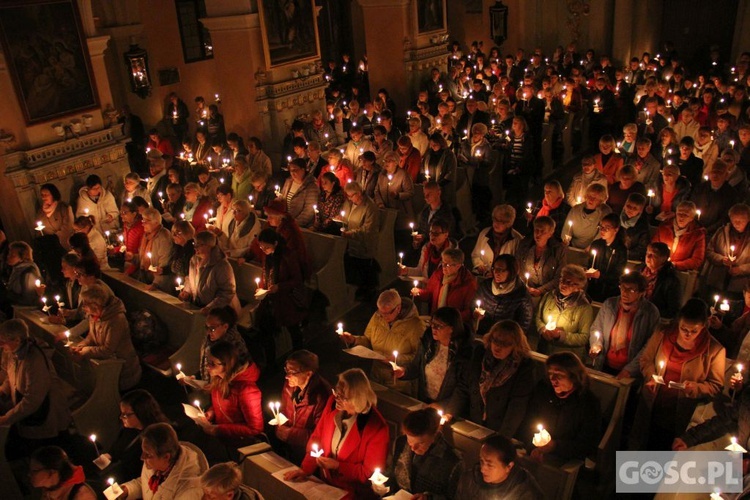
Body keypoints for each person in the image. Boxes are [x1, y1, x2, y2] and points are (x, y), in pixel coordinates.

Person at [631, 299, 725, 450]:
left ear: (703, 326)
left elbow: (716, 385)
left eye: (694, 331)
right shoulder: (663, 333)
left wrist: (696, 388)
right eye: (683, 329)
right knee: (641, 448)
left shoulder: (714, 350)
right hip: (652, 404)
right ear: (678, 322)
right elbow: (646, 359)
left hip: (680, 412)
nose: (687, 334)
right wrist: (652, 376)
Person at [284, 369, 389, 500]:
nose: (336, 398)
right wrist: (306, 469)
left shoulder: (376, 427)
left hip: (354, 494)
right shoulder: (333, 403)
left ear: (357, 398)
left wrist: (337, 466)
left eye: (343, 396)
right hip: (327, 486)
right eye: (336, 392)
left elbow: (368, 473)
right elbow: (317, 437)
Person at [447, 320, 535, 437]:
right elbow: (464, 386)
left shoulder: (523, 366)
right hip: (475, 420)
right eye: (496, 341)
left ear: (516, 345)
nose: (498, 347)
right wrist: (450, 412)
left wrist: (502, 438)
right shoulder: (480, 354)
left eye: (505, 344)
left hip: (499, 426)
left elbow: (517, 406)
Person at [0, 319, 71, 449]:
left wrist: (6, 418)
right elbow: (10, 375)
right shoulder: (13, 352)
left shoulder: (34, 359)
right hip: (28, 413)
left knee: (42, 451)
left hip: (45, 416)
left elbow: (33, 399)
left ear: (17, 340)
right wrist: (2, 391)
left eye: (3, 342)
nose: (1, 345)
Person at [518, 352, 602, 462]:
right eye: (550, 374)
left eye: (559, 375)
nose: (552, 379)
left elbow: (587, 444)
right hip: (533, 451)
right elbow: (528, 421)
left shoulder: (588, 403)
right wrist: (533, 447)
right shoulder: (543, 390)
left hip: (567, 459)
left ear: (574, 376)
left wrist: (555, 446)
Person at [340, 289, 425, 394]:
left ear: (398, 308)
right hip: (376, 375)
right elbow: (368, 340)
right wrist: (354, 340)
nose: (383, 317)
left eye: (387, 313)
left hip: (399, 382)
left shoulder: (415, 325)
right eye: (381, 312)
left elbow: (418, 357)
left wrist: (396, 359)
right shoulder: (377, 317)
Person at [377, 408, 462, 499]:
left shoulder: (452, 461)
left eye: (421, 443)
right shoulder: (400, 443)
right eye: (410, 441)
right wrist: (382, 484)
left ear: (434, 435)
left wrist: (428, 498)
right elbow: (392, 474)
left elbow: (454, 497)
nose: (413, 448)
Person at [394, 307, 472, 407]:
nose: (433, 329)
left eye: (439, 326)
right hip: (425, 401)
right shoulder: (428, 343)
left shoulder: (463, 352)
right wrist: (404, 372)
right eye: (432, 324)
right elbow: (417, 367)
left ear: (452, 329)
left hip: (448, 407)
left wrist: (445, 407)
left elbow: (462, 388)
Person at [589, 271, 661, 377]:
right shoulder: (610, 305)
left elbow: (649, 346)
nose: (625, 293)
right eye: (623, 288)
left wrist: (629, 370)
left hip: (630, 370)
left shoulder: (650, 313)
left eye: (631, 290)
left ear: (641, 293)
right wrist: (596, 344)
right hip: (604, 364)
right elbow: (597, 328)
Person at [72, 284, 142, 391]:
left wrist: (85, 351)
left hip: (123, 368)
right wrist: (83, 344)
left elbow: (108, 349)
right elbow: (92, 335)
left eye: (85, 303)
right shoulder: (94, 315)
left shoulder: (116, 320)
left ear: (95, 305)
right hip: (107, 365)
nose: (83, 306)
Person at [197, 341, 263, 450]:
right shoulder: (219, 380)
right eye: (207, 361)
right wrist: (211, 413)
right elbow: (220, 404)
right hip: (228, 439)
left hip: (244, 445)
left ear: (227, 364)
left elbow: (255, 428)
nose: (207, 366)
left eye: (212, 363)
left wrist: (219, 429)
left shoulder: (247, 390)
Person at [254, 228, 309, 357]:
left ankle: (300, 357)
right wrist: (262, 287)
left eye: (266, 247)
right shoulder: (267, 256)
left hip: (288, 300)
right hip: (273, 300)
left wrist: (280, 286)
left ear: (275, 243)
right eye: (261, 247)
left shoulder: (288, 255)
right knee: (265, 328)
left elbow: (297, 279)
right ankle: (271, 361)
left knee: (294, 330)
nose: (263, 250)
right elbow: (266, 274)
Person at [99, 389, 170, 485]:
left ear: (141, 412)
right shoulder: (129, 429)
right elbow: (119, 446)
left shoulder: (156, 438)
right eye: (121, 413)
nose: (121, 417)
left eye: (125, 414)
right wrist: (109, 455)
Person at [120, 423, 206, 499]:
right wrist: (127, 490)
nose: (142, 457)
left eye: (148, 454)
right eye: (143, 452)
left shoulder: (189, 488)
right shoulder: (155, 464)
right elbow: (145, 483)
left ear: (166, 457)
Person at [275, 350, 332, 464]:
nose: (287, 376)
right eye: (286, 370)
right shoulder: (290, 385)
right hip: (289, 449)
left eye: (292, 371)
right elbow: (283, 411)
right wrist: (279, 424)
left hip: (307, 455)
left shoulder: (322, 396)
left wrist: (290, 434)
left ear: (308, 373)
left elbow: (320, 434)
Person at [455, 434, 543, 499]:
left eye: (490, 464)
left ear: (509, 466)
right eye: (481, 461)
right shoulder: (469, 480)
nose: (482, 469)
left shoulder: (524, 491)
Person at [535, 264, 593, 358]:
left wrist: (560, 336)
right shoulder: (549, 296)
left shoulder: (584, 307)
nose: (563, 284)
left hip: (567, 356)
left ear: (579, 287)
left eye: (569, 282)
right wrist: (542, 329)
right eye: (562, 280)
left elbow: (584, 337)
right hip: (544, 350)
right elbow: (538, 316)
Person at [180, 231, 241, 315]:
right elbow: (190, 278)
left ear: (208, 246)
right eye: (194, 244)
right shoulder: (194, 260)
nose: (195, 247)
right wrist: (186, 291)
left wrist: (210, 307)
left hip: (220, 313)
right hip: (200, 307)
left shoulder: (222, 265)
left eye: (199, 245)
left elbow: (227, 292)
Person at [473, 254, 534, 337]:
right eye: (494, 269)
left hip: (504, 339)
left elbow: (523, 325)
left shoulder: (522, 295)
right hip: (482, 334)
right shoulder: (485, 286)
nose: (496, 273)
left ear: (511, 271)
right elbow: (474, 304)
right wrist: (476, 314)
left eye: (501, 270)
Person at [413, 248, 478, 324]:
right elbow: (430, 295)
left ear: (458, 266)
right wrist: (419, 293)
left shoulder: (468, 283)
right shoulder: (438, 274)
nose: (443, 266)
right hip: (436, 320)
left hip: (453, 325)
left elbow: (468, 311)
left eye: (447, 264)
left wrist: (451, 319)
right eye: (442, 262)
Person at [340, 182, 380, 298]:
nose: (349, 198)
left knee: (363, 273)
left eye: (351, 196)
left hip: (364, 245)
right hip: (350, 244)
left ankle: (367, 294)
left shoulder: (370, 207)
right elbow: (346, 218)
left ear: (359, 193)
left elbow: (368, 230)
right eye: (347, 196)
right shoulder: (349, 203)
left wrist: (350, 234)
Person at [703, 203, 750, 298]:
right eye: (734, 220)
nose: (737, 223)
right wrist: (722, 259)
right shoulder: (722, 232)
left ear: (748, 219)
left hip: (739, 286)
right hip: (717, 281)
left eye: (741, 220)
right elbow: (709, 251)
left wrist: (741, 269)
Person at [516, 216, 566, 299]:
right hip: (525, 290)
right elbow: (517, 267)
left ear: (550, 233)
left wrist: (541, 290)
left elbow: (559, 277)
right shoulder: (524, 245)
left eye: (542, 231)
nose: (538, 234)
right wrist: (525, 286)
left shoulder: (558, 250)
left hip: (549, 294)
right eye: (536, 230)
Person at [375, 151, 415, 247]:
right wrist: (380, 203)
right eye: (385, 161)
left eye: (389, 161)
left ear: (396, 162)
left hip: (401, 214)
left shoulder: (403, 175)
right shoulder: (382, 174)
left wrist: (398, 195)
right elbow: (376, 191)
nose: (386, 163)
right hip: (386, 211)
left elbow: (410, 193)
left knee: (400, 241)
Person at [586, 212, 629, 302]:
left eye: (607, 228)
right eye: (601, 227)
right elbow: (590, 264)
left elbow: (618, 275)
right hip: (593, 288)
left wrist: (600, 275)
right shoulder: (596, 244)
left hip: (610, 292)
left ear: (616, 230)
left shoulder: (621, 250)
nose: (602, 230)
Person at [652, 200, 706, 271]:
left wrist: (674, 265)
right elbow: (653, 247)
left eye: (686, 215)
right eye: (679, 213)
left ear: (692, 218)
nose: (681, 217)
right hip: (659, 268)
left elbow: (697, 260)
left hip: (681, 271)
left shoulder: (698, 234)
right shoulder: (664, 227)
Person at [689, 159, 739, 236]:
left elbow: (726, 218)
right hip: (695, 228)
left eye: (719, 172)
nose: (715, 175)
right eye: (714, 172)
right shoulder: (700, 188)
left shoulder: (731, 194)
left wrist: (708, 230)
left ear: (726, 175)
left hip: (716, 233)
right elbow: (691, 206)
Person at [471, 204, 523, 276]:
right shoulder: (484, 233)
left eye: (501, 221)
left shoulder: (517, 239)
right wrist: (479, 265)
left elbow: (517, 265)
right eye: (495, 219)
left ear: (508, 223)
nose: (496, 223)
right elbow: (475, 255)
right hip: (484, 276)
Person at [29, 446, 97, 499]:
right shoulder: (48, 491)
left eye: (34, 470)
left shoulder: (81, 495)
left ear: (51, 472)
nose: (29, 474)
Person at [561, 183, 612, 249]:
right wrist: (566, 240)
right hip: (572, 245)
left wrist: (591, 247)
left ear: (601, 200)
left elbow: (601, 234)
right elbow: (567, 229)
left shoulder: (604, 213)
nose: (591, 200)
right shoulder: (576, 210)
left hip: (590, 248)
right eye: (589, 196)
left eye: (595, 198)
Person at [135, 208, 174, 291]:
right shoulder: (146, 236)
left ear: (156, 222)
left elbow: (164, 263)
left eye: (146, 221)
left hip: (161, 285)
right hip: (147, 279)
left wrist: (156, 284)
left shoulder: (164, 237)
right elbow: (143, 258)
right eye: (143, 221)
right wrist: (133, 258)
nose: (143, 224)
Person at [642, 242, 681, 319]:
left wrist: (651, 313)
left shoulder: (670, 280)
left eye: (654, 255)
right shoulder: (639, 270)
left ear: (663, 258)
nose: (648, 257)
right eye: (647, 253)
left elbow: (673, 310)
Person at [1, 241, 42, 312]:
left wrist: (6, 294)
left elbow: (28, 299)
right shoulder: (16, 269)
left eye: (12, 255)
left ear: (23, 258)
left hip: (26, 311)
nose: (8, 257)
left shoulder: (28, 273)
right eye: (9, 254)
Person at [280, 158, 319, 229]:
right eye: (291, 170)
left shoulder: (311, 186)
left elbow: (308, 211)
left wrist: (294, 223)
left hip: (299, 227)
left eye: (295, 170)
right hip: (285, 223)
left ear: (303, 169)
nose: (292, 172)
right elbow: (283, 198)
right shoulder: (289, 182)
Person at [37, 183, 75, 250]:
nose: (43, 197)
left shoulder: (64, 208)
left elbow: (68, 227)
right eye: (42, 195)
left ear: (53, 194)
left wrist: (54, 238)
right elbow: (40, 230)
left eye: (46, 195)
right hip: (50, 247)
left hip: (65, 244)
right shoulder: (40, 212)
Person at [619, 192, 650, 261]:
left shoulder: (642, 226)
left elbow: (642, 248)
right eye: (628, 206)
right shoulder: (616, 218)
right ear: (624, 205)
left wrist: (624, 254)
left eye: (635, 208)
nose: (631, 210)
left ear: (640, 210)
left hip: (631, 259)